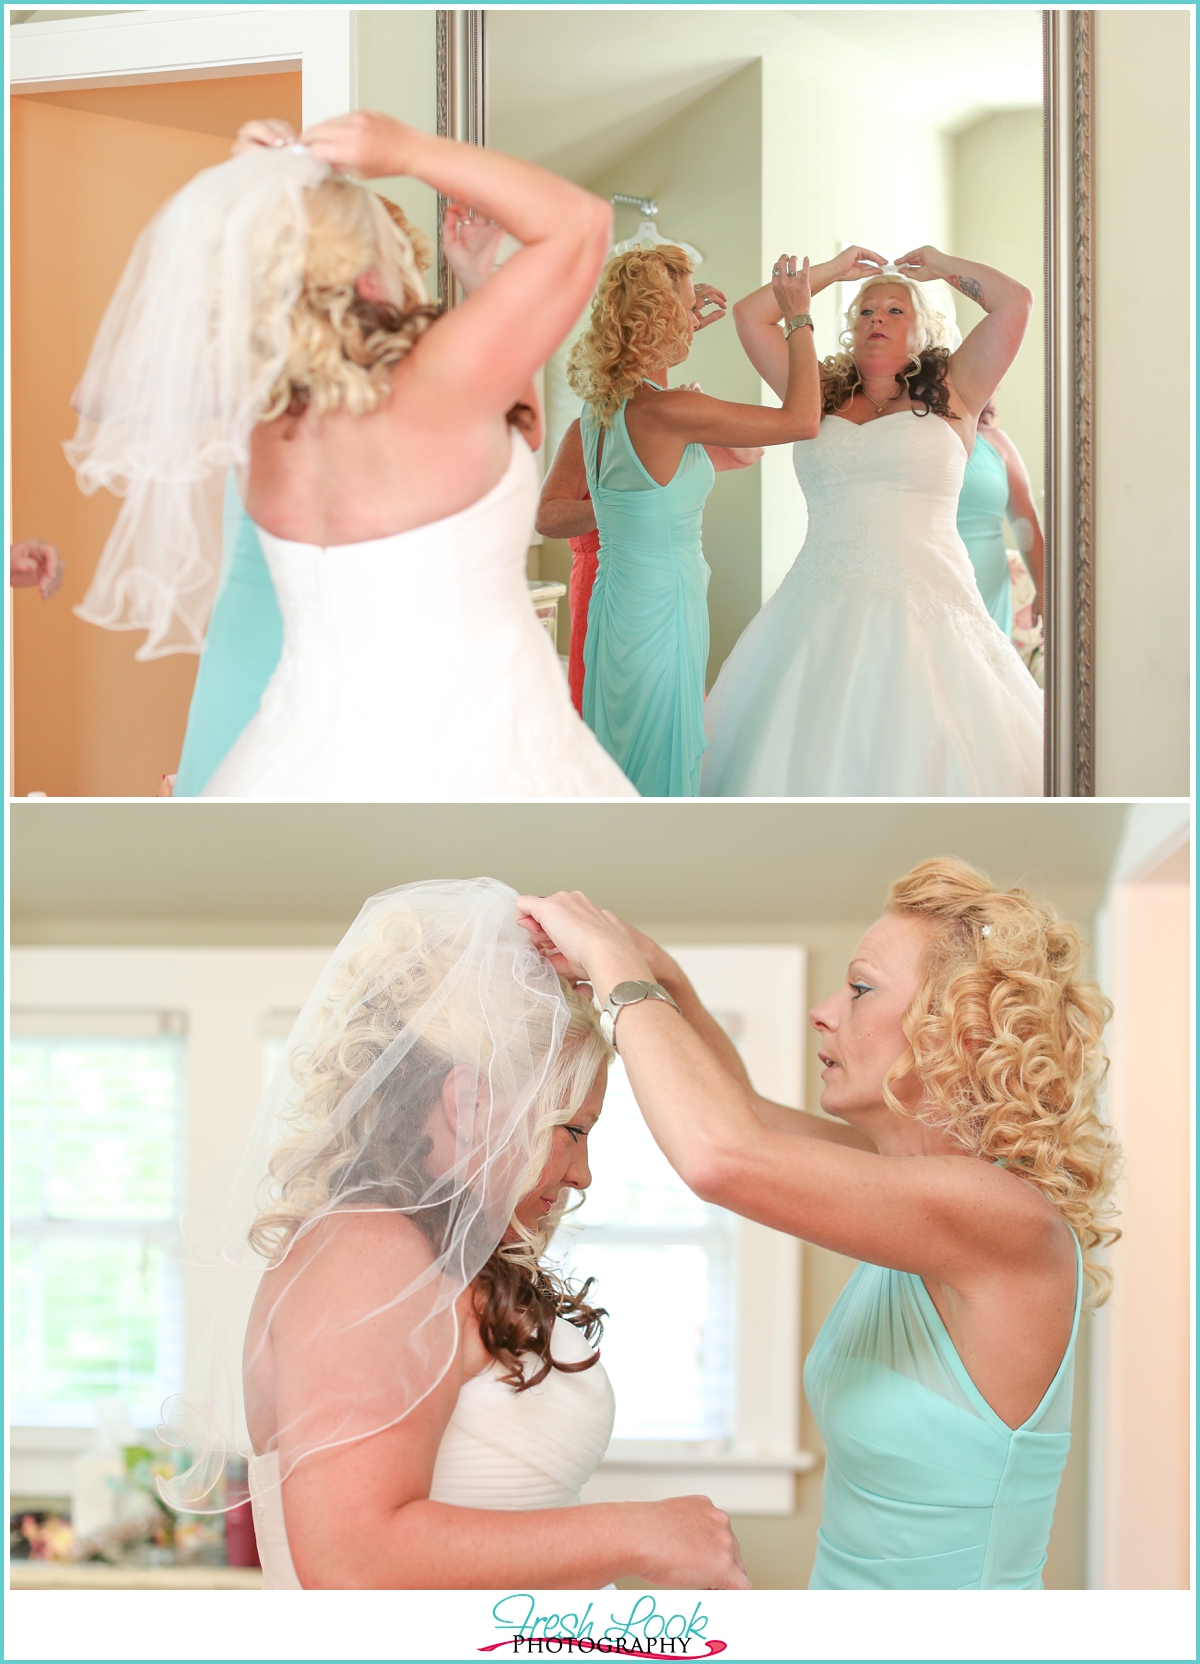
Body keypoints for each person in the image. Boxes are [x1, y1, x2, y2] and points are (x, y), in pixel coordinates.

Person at [515, 859, 1119, 1590]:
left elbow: (721, 1153)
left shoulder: (1001, 1218)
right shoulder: (906, 1185)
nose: (824, 1010)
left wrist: (613, 970)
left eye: (860, 989)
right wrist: (661, 975)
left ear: (956, 1032)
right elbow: (740, 1110)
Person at [161, 879, 747, 1590]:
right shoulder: (366, 1251)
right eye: (573, 1130)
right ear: (469, 1103)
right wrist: (640, 1534)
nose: (583, 1172)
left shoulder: (430, 1257)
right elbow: (350, 1559)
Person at [67, 113, 636, 800]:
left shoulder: (259, 405)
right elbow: (580, 223)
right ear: (370, 280)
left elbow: (98, 389)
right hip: (474, 754)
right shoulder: (439, 386)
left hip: (293, 767)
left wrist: (245, 200)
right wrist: (410, 151)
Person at [701, 248, 1044, 798]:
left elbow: (1017, 303)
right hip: (814, 609)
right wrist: (833, 271)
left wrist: (939, 264)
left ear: (923, 329)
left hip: (931, 603)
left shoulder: (959, 388)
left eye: (894, 310)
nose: (877, 318)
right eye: (865, 311)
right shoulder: (812, 391)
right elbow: (750, 316)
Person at [560, 244, 824, 797]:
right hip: (661, 609)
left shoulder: (600, 410)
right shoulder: (670, 411)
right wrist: (797, 316)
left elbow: (643, 376)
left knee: (624, 747)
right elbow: (801, 419)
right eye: (683, 307)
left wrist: (676, 333)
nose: (693, 314)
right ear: (658, 320)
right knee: (659, 754)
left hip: (618, 605)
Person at [956, 397, 1045, 635]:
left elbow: (1024, 519)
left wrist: (1044, 586)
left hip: (990, 592)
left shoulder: (997, 442)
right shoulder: (915, 434)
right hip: (927, 583)